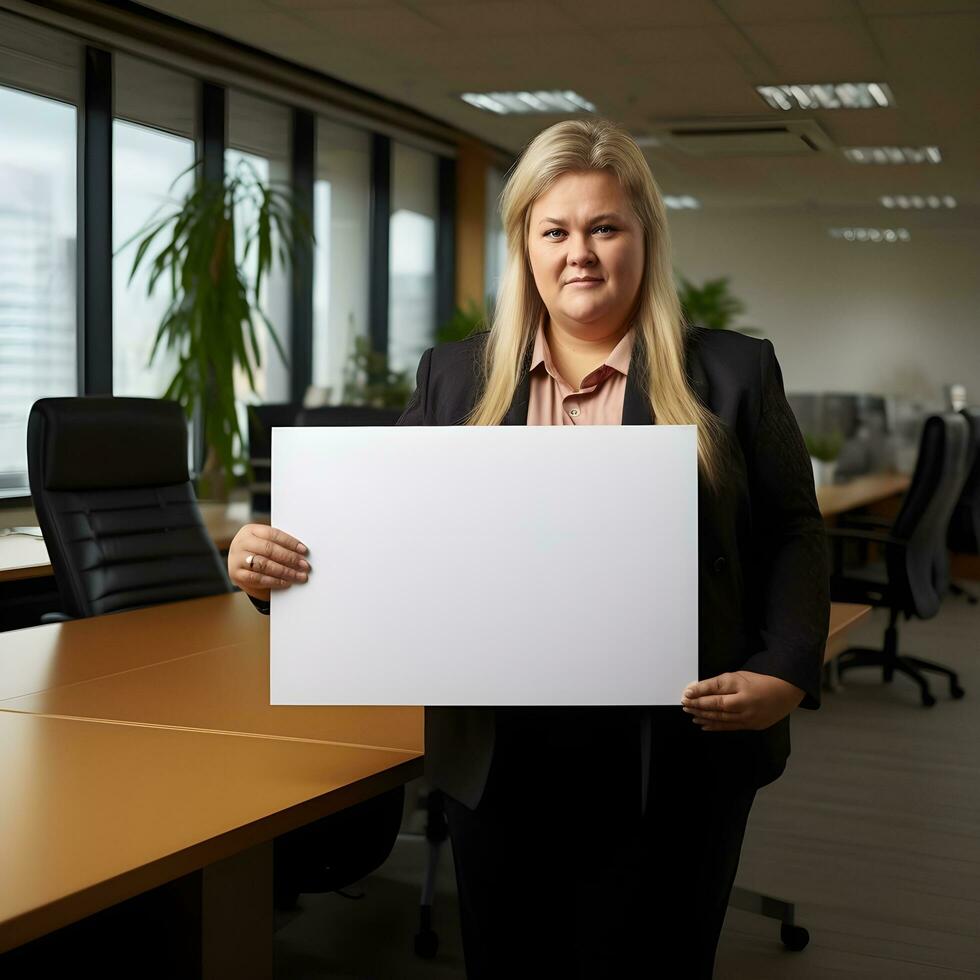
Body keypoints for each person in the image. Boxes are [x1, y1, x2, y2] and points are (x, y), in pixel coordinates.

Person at [228, 119, 830, 979]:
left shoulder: (734, 374)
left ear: (644, 240)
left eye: (604, 227)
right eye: (556, 231)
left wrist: (789, 666)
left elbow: (795, 533)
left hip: (675, 757)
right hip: (502, 761)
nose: (579, 252)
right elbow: (383, 540)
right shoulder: (456, 378)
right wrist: (269, 571)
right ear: (527, 246)